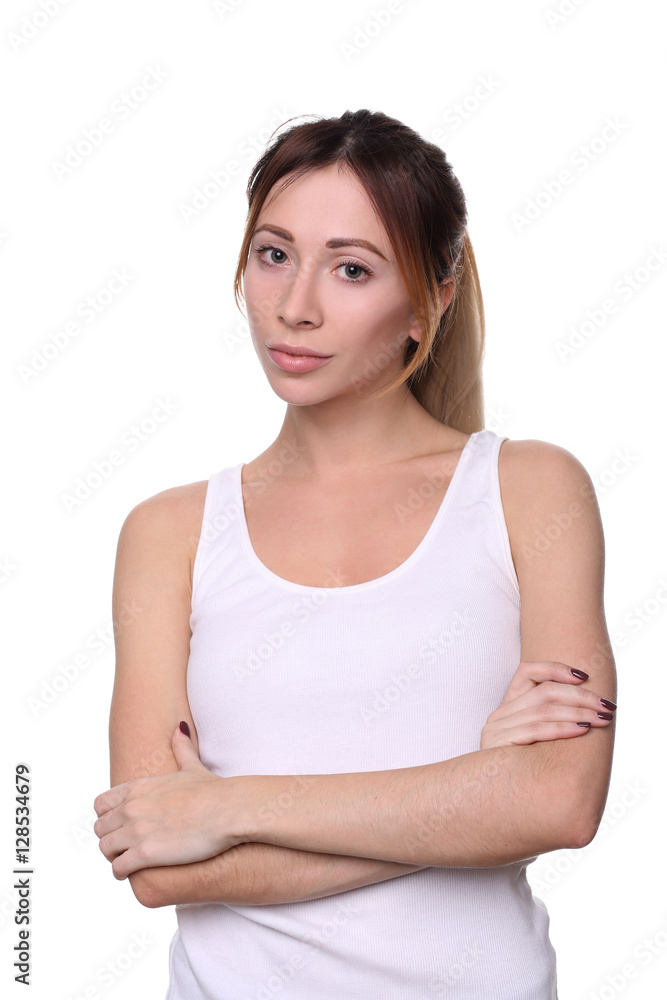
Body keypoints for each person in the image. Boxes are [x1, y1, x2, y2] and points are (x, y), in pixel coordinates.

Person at [93, 109, 617, 999]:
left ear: (430, 300)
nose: (295, 306)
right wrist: (474, 792)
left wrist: (228, 808)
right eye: (273, 255)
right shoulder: (168, 531)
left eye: (351, 269)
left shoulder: (529, 490)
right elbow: (158, 861)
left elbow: (558, 805)